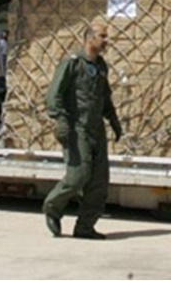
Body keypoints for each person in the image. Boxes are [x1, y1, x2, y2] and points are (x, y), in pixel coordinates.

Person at [43, 19, 124, 240]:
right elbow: (54, 95)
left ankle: (85, 227)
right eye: (103, 36)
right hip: (76, 128)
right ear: (90, 38)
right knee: (77, 176)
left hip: (96, 128)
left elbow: (104, 97)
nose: (107, 41)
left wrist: (114, 121)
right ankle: (52, 208)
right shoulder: (72, 63)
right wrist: (60, 121)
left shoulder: (100, 66)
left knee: (99, 182)